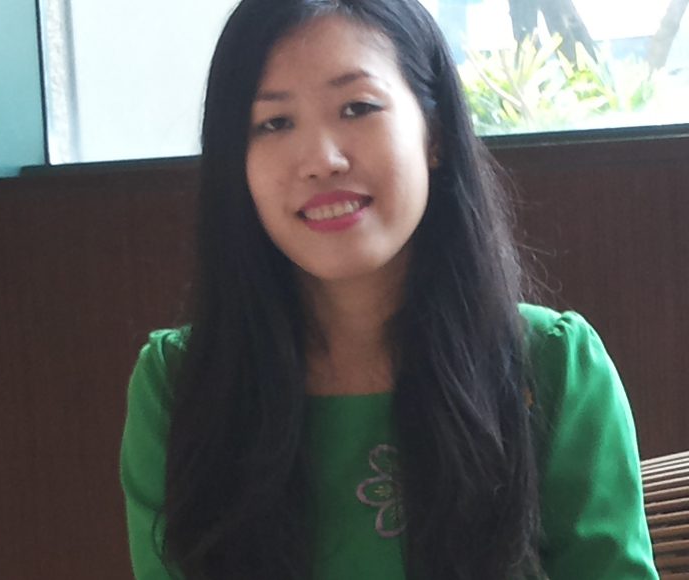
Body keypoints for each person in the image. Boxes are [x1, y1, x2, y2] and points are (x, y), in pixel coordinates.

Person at [119, 0, 659, 578]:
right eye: (274, 123)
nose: (322, 160)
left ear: (435, 134)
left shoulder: (552, 364)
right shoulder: (179, 384)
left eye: (357, 107)